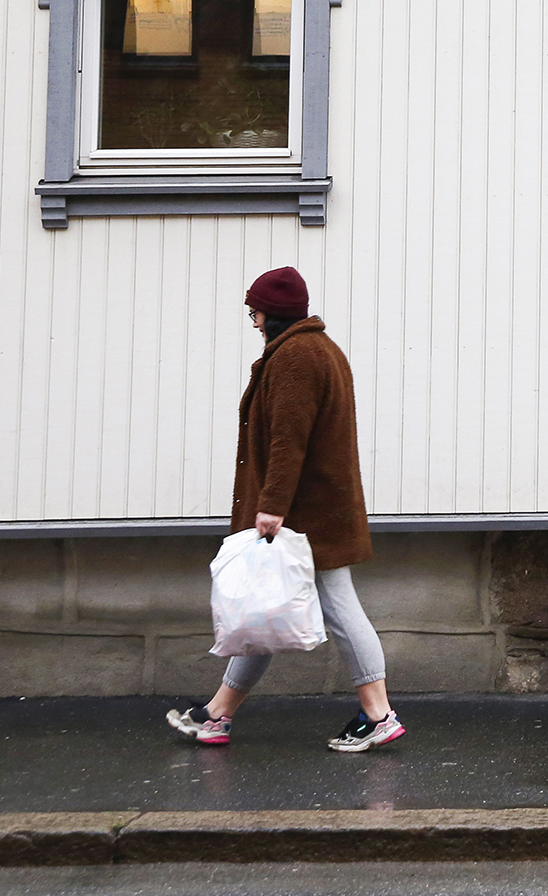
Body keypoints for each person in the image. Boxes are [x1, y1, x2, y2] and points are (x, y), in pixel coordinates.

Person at [166, 266, 405, 753]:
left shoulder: (297, 356)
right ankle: (217, 714)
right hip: (314, 508)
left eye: (254, 311)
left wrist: (271, 505)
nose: (252, 321)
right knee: (261, 612)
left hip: (305, 515)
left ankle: (379, 713)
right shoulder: (319, 349)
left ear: (270, 313)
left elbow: (288, 439)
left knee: (338, 607)